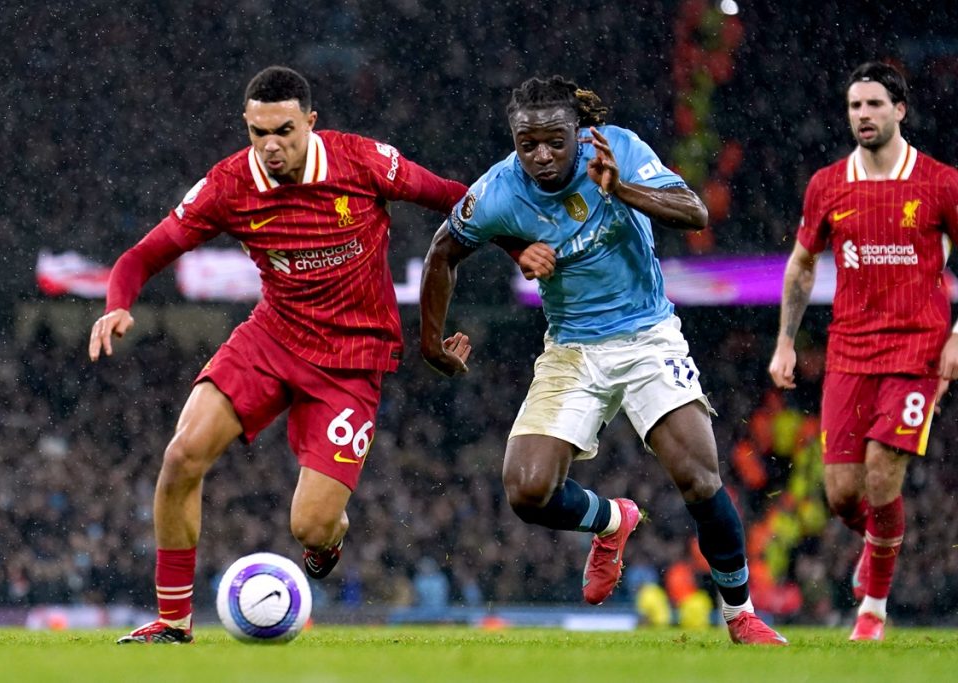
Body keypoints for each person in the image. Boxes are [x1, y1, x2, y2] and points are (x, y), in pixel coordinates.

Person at [88, 65, 474, 644]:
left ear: (310, 123)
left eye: (285, 131)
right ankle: (173, 623)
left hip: (352, 360)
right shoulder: (228, 185)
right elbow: (140, 257)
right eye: (258, 132)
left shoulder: (362, 161)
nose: (271, 145)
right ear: (246, 126)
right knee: (181, 455)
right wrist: (118, 303)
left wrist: (521, 245)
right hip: (272, 337)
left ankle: (330, 536)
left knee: (311, 527)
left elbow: (458, 198)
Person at [420, 75, 787, 645]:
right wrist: (429, 342)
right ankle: (612, 520)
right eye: (527, 143)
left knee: (699, 476)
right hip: (571, 349)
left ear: (579, 132)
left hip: (647, 336)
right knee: (526, 490)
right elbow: (443, 252)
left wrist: (624, 191)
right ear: (514, 139)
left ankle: (740, 615)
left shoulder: (619, 149)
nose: (542, 155)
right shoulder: (496, 191)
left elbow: (694, 213)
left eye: (555, 141)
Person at [769, 62, 958, 641]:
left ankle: (872, 609)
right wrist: (783, 341)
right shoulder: (828, 184)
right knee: (842, 494)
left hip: (917, 350)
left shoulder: (941, 182)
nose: (863, 116)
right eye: (855, 107)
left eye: (874, 104)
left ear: (900, 110)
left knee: (881, 478)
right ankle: (877, 545)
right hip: (849, 351)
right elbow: (802, 267)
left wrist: (957, 336)